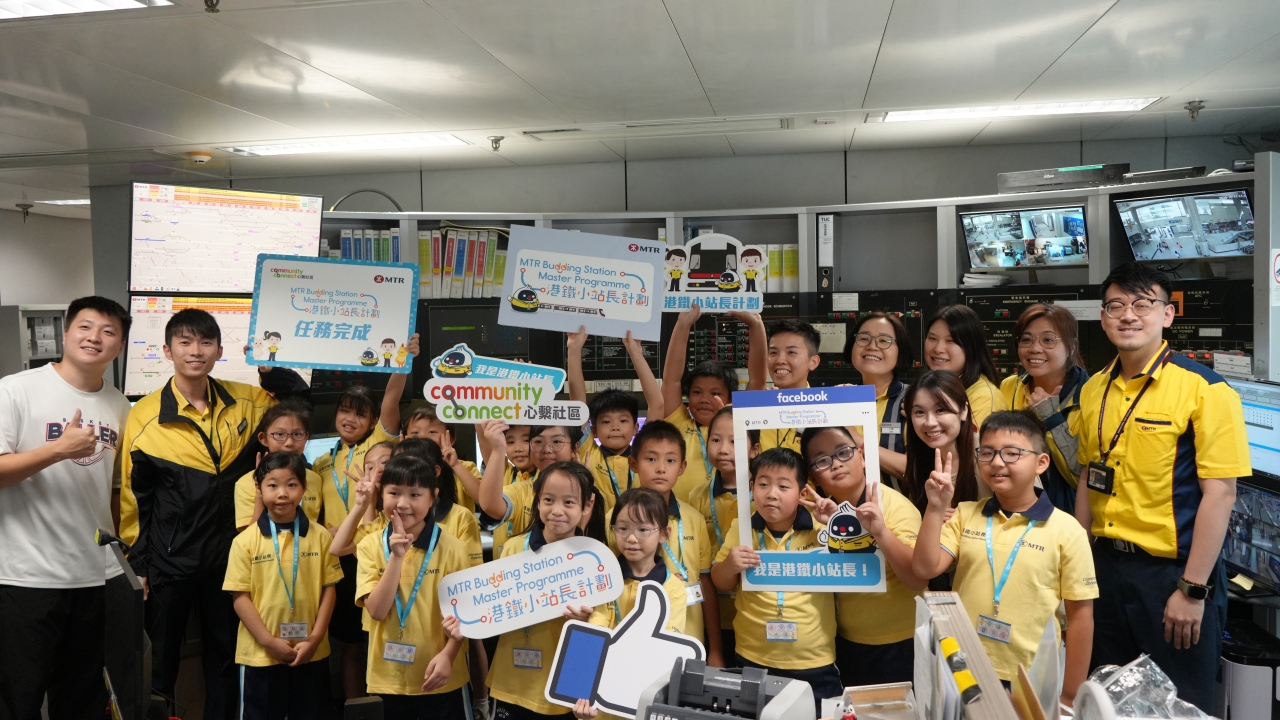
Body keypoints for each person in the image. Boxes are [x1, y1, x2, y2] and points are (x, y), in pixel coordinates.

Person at [119, 308, 311, 719]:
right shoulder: (145, 416)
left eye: (206, 343)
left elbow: (297, 407)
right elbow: (136, 498)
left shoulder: (246, 401)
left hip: (230, 560)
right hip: (170, 560)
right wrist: (138, 564)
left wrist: (270, 370)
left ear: (220, 351)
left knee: (226, 660)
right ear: (167, 350)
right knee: (160, 663)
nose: (196, 351)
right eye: (185, 343)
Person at [1073, 262, 1248, 713]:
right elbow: (1088, 475)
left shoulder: (1206, 389)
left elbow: (1221, 494)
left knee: (1176, 708)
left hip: (1172, 577)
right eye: (1115, 306)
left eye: (1142, 304)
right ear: (1103, 317)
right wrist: (1076, 562)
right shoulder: (1094, 389)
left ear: (1167, 315)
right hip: (1105, 571)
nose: (1128, 315)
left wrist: (1193, 589)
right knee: (1106, 701)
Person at [0, 296, 132, 720]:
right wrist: (58, 450)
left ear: (120, 346)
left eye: (108, 332)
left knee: (82, 700)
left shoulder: (119, 405)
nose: (95, 337)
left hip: (95, 576)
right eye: (85, 327)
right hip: (27, 576)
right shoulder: (15, 389)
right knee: (19, 698)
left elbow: (115, 490)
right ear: (66, 332)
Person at [913, 411, 1097, 707]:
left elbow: (1080, 617)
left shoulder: (1067, 530)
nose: (997, 462)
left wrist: (1070, 694)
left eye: (1012, 453)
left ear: (1041, 463)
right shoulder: (965, 514)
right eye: (987, 453)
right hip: (962, 667)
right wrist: (935, 508)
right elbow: (925, 567)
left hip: (1031, 676)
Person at [315, 334, 417, 699]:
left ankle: (391, 701)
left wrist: (404, 359)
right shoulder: (321, 461)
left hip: (380, 549)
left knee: (382, 631)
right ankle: (358, 708)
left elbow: (391, 397)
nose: (350, 418)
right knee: (351, 643)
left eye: (361, 414)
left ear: (373, 421)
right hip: (342, 559)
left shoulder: (377, 446)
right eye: (345, 410)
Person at [711, 448, 841, 705]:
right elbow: (720, 581)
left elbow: (855, 564)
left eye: (783, 486)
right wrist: (729, 566)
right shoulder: (742, 528)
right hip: (752, 656)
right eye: (763, 484)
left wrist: (835, 524)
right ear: (751, 487)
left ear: (802, 493)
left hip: (813, 659)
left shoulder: (820, 529)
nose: (771, 493)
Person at [800, 426, 926, 687]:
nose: (836, 464)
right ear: (813, 477)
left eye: (843, 452)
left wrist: (881, 532)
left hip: (901, 643)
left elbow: (917, 578)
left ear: (862, 456)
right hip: (848, 642)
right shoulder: (822, 516)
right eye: (822, 460)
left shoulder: (894, 506)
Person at [224, 452, 342, 720]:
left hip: (311, 652)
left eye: (291, 484)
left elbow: (329, 590)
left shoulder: (321, 537)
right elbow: (240, 597)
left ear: (304, 487)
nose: (282, 493)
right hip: (260, 655)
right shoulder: (244, 541)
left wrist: (315, 639)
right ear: (259, 488)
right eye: (273, 485)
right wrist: (269, 642)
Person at [356, 455, 473, 720]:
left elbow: (464, 617)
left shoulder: (454, 549)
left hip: (441, 674)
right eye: (394, 493)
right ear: (381, 494)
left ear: (433, 497)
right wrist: (396, 557)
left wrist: (448, 656)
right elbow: (377, 611)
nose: (403, 503)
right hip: (388, 678)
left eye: (415, 494)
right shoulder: (370, 546)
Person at [487, 462, 602, 720]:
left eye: (569, 502)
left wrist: (587, 622)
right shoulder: (514, 548)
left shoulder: (594, 559)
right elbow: (491, 605)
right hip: (512, 682)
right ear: (538, 501)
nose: (556, 510)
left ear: (587, 505)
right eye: (548, 500)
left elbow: (603, 621)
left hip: (564, 689)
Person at [571, 487, 689, 720]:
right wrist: (583, 692)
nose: (631, 538)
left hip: (645, 695)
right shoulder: (603, 578)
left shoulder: (673, 588)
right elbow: (595, 630)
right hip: (601, 699)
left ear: (664, 533)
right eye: (623, 529)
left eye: (643, 530)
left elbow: (665, 644)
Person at [629, 421, 720, 665]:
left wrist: (716, 649)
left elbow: (705, 581)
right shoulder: (617, 520)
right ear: (633, 463)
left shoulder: (694, 518)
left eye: (670, 460)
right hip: (637, 641)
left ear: (682, 467)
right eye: (651, 459)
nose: (661, 468)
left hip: (689, 638)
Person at [662, 305, 762, 502]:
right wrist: (682, 325)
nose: (704, 399)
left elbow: (757, 380)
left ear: (731, 399)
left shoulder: (741, 424)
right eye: (697, 392)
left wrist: (756, 326)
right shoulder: (679, 424)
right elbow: (671, 380)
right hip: (682, 519)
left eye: (715, 393)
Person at [999, 303, 1089, 513]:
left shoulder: (1091, 394)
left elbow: (1082, 476)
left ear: (1072, 346)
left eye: (1048, 340)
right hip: (1012, 511)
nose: (1035, 348)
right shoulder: (1009, 387)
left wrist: (1050, 415)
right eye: (1026, 340)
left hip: (1068, 516)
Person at [567, 326, 663, 518]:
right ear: (594, 430)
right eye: (606, 422)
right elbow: (578, 403)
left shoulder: (644, 453)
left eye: (623, 420)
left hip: (636, 533)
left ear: (636, 428)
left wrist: (636, 354)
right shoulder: (588, 452)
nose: (615, 427)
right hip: (595, 535)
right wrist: (574, 350)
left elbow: (657, 403)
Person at [688, 406, 759, 664]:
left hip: (755, 613)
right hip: (712, 613)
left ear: (754, 450)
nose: (723, 449)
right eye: (716, 440)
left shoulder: (765, 495)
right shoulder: (697, 496)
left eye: (734, 441)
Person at [844, 311, 913, 486]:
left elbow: (916, 469)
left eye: (884, 340)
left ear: (900, 352)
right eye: (864, 338)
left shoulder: (914, 400)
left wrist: (857, 439)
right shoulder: (841, 399)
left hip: (900, 502)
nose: (872, 346)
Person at [233, 401, 323, 531]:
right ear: (263, 438)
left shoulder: (315, 479)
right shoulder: (246, 484)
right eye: (280, 434)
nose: (289, 442)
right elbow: (247, 538)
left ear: (306, 437)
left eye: (297, 434)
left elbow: (317, 526)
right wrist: (260, 493)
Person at [902, 370, 981, 513]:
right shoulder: (919, 462)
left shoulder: (988, 454)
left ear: (964, 411)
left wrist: (963, 520)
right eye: (919, 412)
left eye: (940, 410)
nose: (930, 422)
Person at [924, 305, 1006, 429]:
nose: (938, 349)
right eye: (932, 338)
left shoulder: (984, 398)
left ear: (971, 347)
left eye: (951, 340)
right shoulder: (932, 388)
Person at [760, 319, 822, 453]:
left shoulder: (825, 410)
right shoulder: (758, 408)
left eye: (791, 352)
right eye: (773, 353)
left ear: (813, 362)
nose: (780, 360)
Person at [402, 404, 478, 512]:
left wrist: (456, 466)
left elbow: (482, 499)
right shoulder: (399, 469)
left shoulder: (465, 467)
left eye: (432, 432)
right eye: (415, 433)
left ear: (451, 439)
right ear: (405, 439)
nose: (423, 437)